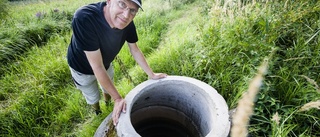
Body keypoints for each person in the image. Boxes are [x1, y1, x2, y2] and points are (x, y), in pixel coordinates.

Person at [66, 0, 167, 126]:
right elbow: (96, 66)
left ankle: (107, 102)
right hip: (81, 67)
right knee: (92, 94)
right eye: (122, 4)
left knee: (108, 86)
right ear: (109, 1)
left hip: (106, 63)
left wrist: (151, 74)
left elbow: (134, 49)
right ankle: (97, 110)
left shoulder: (127, 21)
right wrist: (118, 99)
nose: (126, 15)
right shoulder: (84, 18)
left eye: (132, 10)